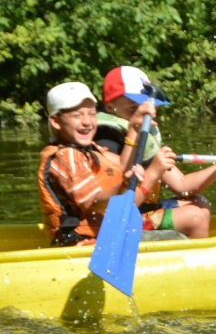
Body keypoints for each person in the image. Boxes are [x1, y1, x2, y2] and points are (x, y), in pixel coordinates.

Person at [94, 65, 216, 239]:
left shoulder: (147, 139)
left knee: (199, 202)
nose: (144, 115)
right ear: (110, 108)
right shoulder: (105, 140)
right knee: (195, 217)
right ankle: (197, 259)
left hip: (140, 213)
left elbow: (183, 185)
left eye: (146, 108)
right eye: (134, 109)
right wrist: (154, 169)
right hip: (117, 221)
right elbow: (116, 189)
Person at [36, 82, 174, 246]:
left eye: (92, 114)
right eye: (77, 116)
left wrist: (135, 126)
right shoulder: (67, 156)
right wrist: (148, 174)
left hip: (102, 232)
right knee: (182, 230)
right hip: (82, 242)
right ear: (56, 121)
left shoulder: (88, 148)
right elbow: (97, 202)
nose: (87, 122)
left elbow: (123, 167)